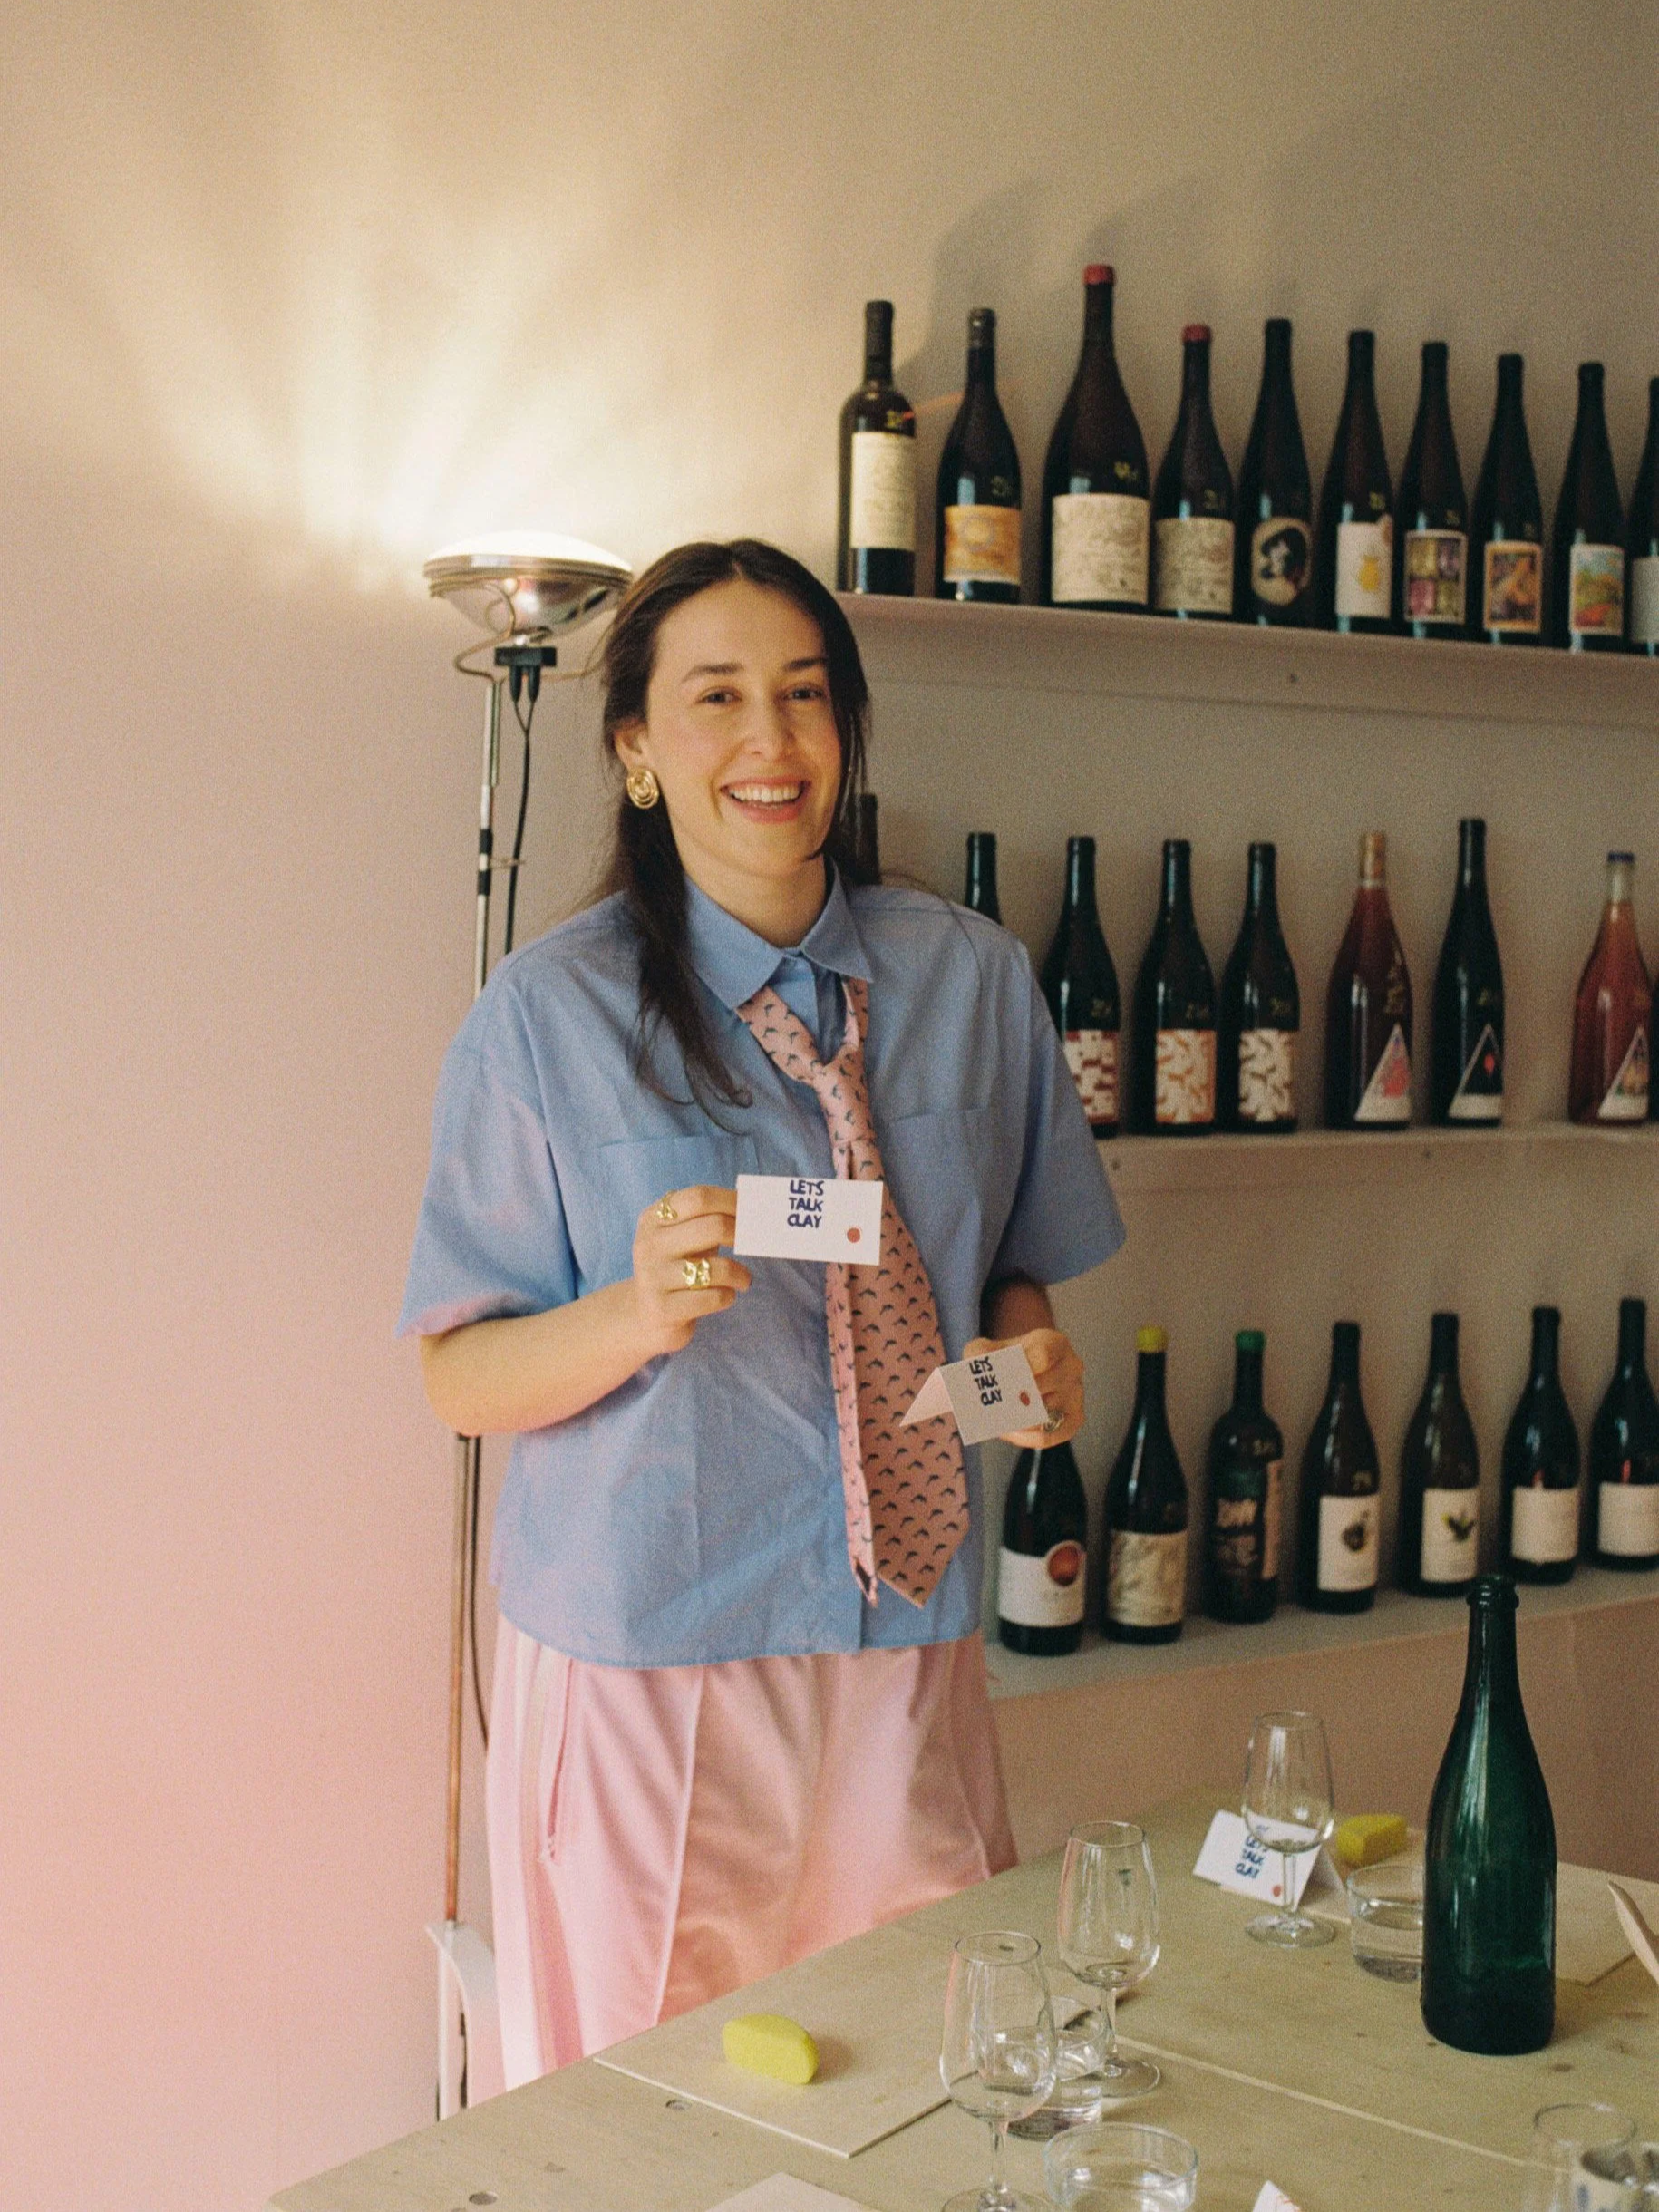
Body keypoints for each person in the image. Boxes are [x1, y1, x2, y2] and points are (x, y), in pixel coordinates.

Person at [399, 538, 1124, 2083]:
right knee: (652, 2096)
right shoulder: (545, 1016)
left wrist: (1028, 1353)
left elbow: (1010, 1264)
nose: (769, 740)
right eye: (716, 697)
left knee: (925, 2064)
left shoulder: (972, 979)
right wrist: (632, 1314)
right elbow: (459, 1378)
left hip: (901, 1634)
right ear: (636, 748)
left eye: (802, 695)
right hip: (652, 1657)